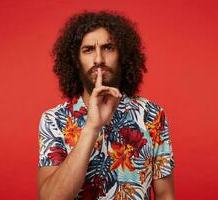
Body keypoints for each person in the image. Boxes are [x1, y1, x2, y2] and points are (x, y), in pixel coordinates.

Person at [37, 10, 175, 200]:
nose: (99, 59)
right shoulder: (53, 120)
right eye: (88, 50)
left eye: (108, 48)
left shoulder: (152, 115)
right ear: (75, 61)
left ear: (122, 55)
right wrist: (92, 127)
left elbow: (165, 195)